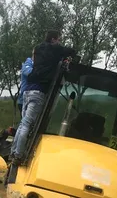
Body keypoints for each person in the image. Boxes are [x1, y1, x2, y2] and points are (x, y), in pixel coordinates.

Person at [10, 30, 76, 164]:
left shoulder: (38, 49)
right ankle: (18, 155)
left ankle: (13, 151)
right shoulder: (54, 49)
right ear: (53, 40)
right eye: (58, 40)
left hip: (28, 91)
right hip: (39, 92)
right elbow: (71, 51)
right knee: (27, 124)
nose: (59, 42)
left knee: (23, 124)